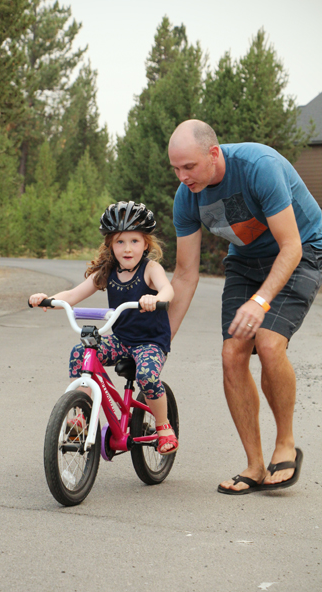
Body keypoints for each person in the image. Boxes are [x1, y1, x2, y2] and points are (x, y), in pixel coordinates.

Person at [168, 119, 322, 494]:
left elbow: (291, 247)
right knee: (232, 354)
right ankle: (254, 465)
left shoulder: (258, 167)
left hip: (301, 251)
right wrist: (159, 341)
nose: (182, 177)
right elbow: (185, 275)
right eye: (176, 168)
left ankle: (285, 443)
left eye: (189, 167)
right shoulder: (187, 197)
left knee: (268, 343)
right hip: (245, 262)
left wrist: (260, 301)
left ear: (213, 154)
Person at [29, 201, 178, 454]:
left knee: (147, 377)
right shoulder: (107, 272)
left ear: (146, 244)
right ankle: (82, 413)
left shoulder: (150, 269)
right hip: (121, 341)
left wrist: (155, 299)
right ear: (110, 244)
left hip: (150, 342)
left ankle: (164, 426)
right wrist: (47, 299)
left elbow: (167, 289)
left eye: (134, 241)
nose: (127, 248)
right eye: (120, 242)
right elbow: (72, 295)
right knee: (81, 352)